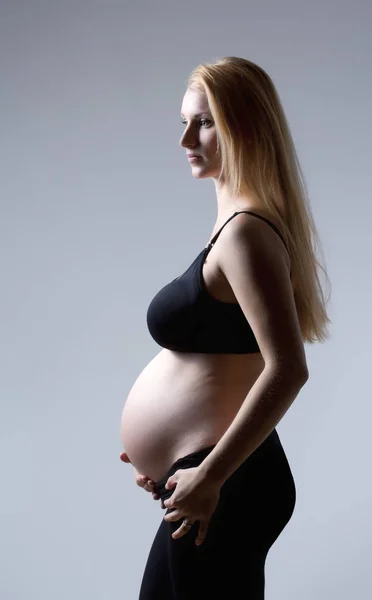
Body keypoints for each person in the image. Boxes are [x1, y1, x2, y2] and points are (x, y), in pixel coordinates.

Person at [119, 56, 331, 599]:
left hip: (229, 480)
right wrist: (164, 455)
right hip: (214, 472)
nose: (187, 137)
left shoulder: (244, 234)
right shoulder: (235, 223)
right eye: (184, 121)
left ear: (246, 127)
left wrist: (210, 474)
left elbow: (287, 369)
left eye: (206, 122)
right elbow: (230, 362)